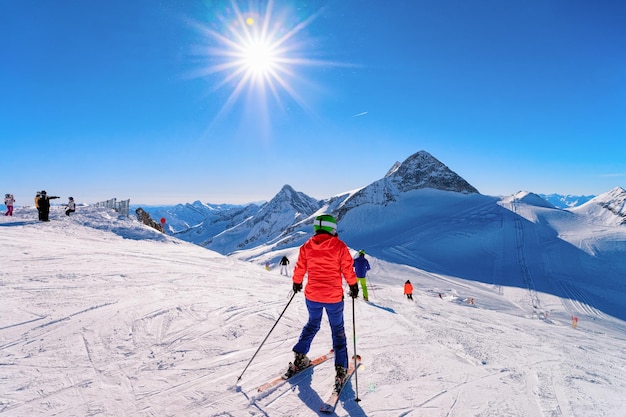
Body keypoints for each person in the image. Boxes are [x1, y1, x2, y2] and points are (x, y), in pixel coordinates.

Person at [290, 214, 359, 390]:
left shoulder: (307, 246)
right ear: (332, 228)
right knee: (337, 330)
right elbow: (347, 269)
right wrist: (353, 286)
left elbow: (300, 267)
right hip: (333, 297)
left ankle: (299, 356)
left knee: (312, 323)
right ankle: (341, 368)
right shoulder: (339, 246)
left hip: (312, 296)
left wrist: (297, 282)